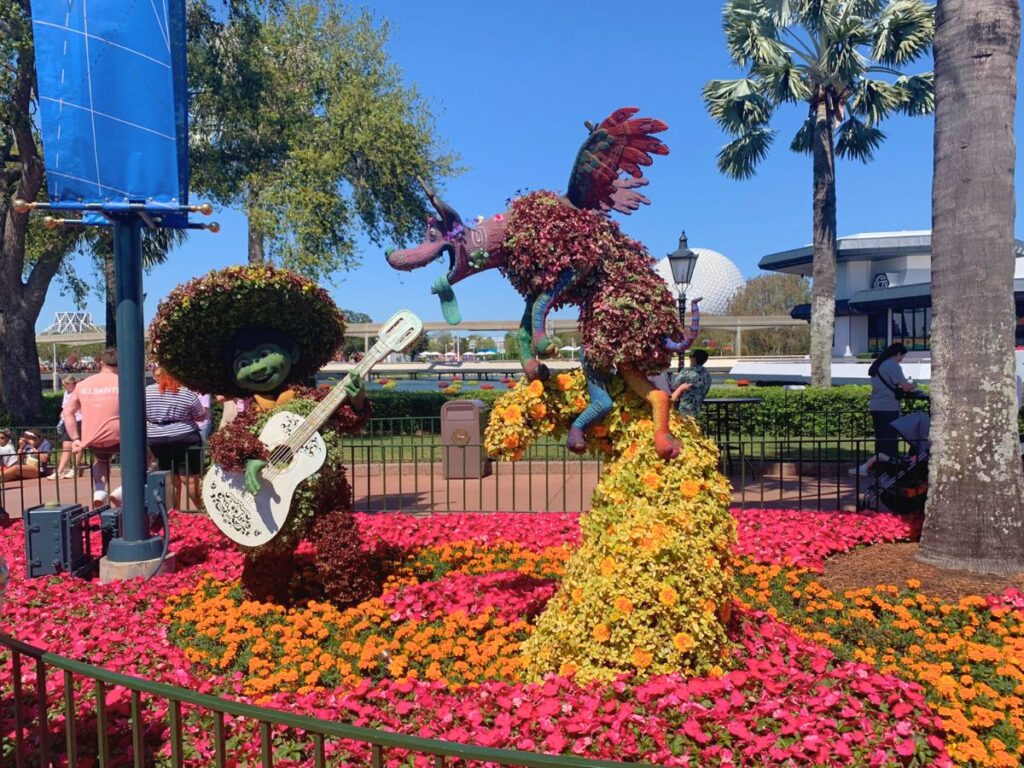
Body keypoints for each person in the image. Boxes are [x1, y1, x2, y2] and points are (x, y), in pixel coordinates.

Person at [63, 347, 121, 507]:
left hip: (92, 437)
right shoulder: (125, 382)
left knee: (101, 461)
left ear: (101, 363)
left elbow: (67, 412)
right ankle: (123, 490)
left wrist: (75, 438)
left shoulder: (83, 385)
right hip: (120, 436)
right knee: (146, 461)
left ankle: (100, 490)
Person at [853, 342, 918, 476]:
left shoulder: (878, 364)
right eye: (903, 356)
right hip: (888, 407)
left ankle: (880, 469)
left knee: (881, 439)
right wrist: (915, 384)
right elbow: (905, 386)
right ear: (898, 353)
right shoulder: (892, 365)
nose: (902, 359)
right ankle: (890, 470)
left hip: (876, 406)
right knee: (890, 440)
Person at [146, 367, 207, 511]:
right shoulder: (186, 393)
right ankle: (203, 511)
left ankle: (174, 514)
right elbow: (201, 416)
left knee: (171, 479)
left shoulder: (147, 392)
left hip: (157, 437)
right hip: (185, 437)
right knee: (191, 480)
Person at [52, 375, 83, 479]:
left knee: (78, 445)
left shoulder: (79, 391)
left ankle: (74, 469)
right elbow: (65, 407)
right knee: (66, 446)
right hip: (68, 421)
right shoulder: (66, 393)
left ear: (72, 384)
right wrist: (62, 417)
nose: (64, 386)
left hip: (79, 419)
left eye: (65, 384)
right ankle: (60, 470)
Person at [670, 348, 713, 418]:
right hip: (696, 409)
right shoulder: (707, 375)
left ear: (694, 359)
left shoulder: (687, 371)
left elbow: (674, 386)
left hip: (683, 409)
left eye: (691, 357)